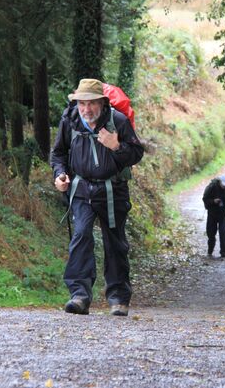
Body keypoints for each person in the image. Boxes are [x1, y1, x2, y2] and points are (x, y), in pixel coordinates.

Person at [50, 78, 144, 316]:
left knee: (115, 242)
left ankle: (118, 298)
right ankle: (79, 295)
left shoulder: (118, 122)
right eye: (82, 103)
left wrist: (115, 146)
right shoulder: (69, 121)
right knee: (81, 235)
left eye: (91, 103)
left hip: (113, 190)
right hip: (81, 189)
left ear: (102, 103)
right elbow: (58, 152)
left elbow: (136, 153)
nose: (86, 109)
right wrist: (60, 174)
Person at [202, 175, 225, 258]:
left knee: (223, 232)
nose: (224, 186)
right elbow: (205, 199)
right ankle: (210, 250)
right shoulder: (211, 187)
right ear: (219, 182)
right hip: (212, 214)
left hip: (223, 214)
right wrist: (213, 201)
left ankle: (223, 252)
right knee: (211, 233)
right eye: (223, 184)